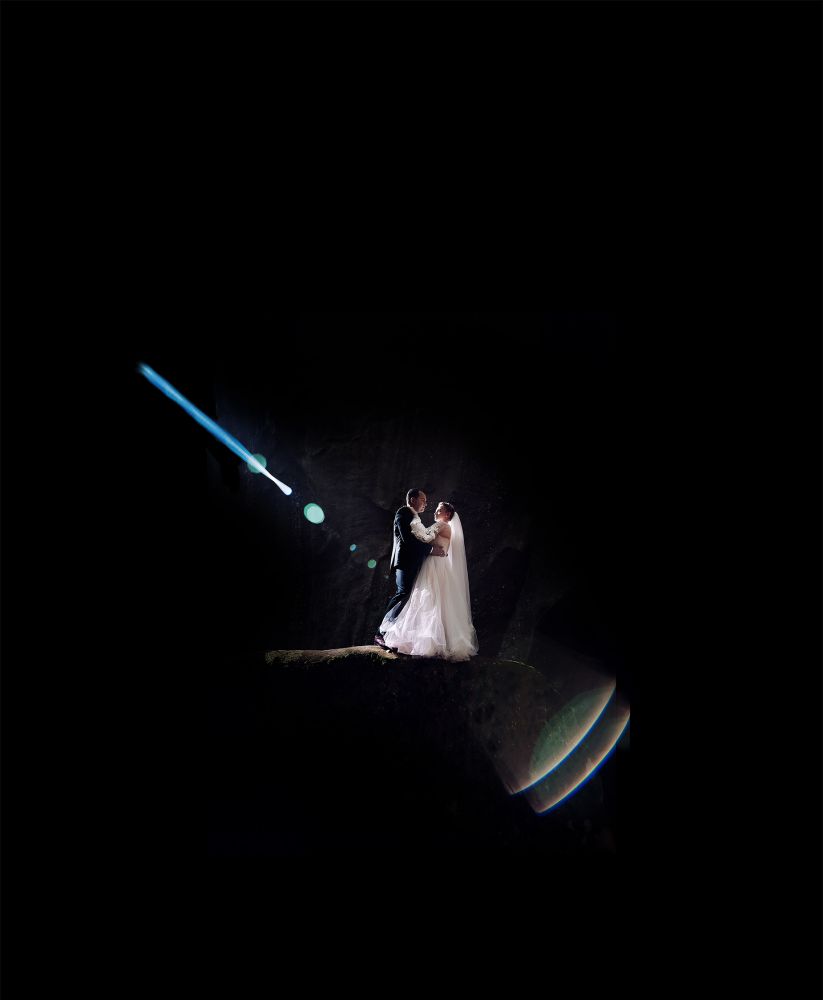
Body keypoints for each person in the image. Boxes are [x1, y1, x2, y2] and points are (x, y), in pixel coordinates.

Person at [379, 501, 479, 662]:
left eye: (439, 510)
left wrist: (414, 525)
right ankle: (436, 640)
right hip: (437, 564)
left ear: (447, 514)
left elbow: (426, 537)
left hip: (435, 566)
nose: (435, 512)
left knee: (430, 600)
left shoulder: (441, 525)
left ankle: (431, 642)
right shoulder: (446, 527)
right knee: (435, 601)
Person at [374, 489, 446, 648]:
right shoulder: (403, 513)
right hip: (405, 561)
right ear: (413, 499)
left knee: (409, 596)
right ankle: (380, 633)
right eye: (423, 500)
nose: (426, 504)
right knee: (403, 593)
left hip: (415, 561)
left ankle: (394, 635)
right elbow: (407, 540)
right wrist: (431, 550)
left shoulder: (414, 517)